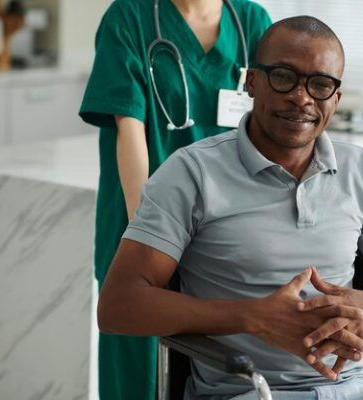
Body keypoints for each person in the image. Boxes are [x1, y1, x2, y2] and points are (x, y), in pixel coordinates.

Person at [98, 15, 363, 400]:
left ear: (336, 99)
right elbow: (117, 305)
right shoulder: (191, 173)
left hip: (354, 389)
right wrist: (253, 317)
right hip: (250, 393)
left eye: (321, 84)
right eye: (283, 77)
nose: (302, 97)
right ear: (251, 82)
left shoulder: (358, 169)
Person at [79, 0, 271, 398]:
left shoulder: (252, 22)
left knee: (216, 369)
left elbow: (267, 130)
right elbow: (130, 131)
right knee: (140, 374)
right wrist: (148, 241)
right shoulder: (128, 17)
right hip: (142, 224)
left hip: (223, 234)